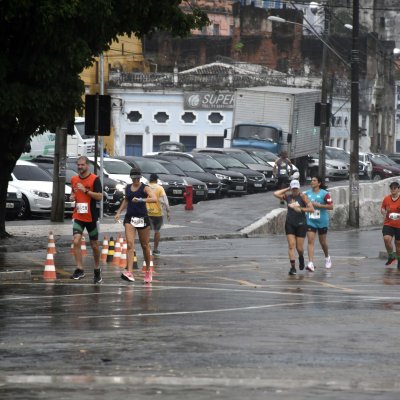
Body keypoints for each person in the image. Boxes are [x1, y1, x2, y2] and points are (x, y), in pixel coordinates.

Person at [114, 167, 157, 283]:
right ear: (131, 178)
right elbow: (126, 201)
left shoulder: (145, 187)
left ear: (140, 177)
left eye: (137, 178)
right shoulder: (128, 187)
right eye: (133, 178)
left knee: (145, 245)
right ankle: (129, 272)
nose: (135, 181)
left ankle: (148, 270)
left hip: (142, 219)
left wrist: (141, 200)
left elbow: (154, 198)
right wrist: (119, 212)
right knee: (129, 244)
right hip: (130, 219)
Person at [70, 156, 103, 283]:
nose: (80, 167)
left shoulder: (95, 179)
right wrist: (72, 197)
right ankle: (79, 269)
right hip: (78, 216)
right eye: (78, 165)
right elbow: (73, 194)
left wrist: (86, 191)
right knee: (76, 240)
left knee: (94, 245)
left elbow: (100, 197)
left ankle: (97, 269)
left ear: (87, 166)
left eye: (82, 165)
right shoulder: (74, 179)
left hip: (91, 217)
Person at [274, 179, 314, 276]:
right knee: (291, 245)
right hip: (290, 224)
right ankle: (292, 268)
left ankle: (301, 257)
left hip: (301, 224)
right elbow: (275, 194)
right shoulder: (288, 197)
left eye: (296, 188)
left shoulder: (303, 197)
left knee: (299, 248)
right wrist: (287, 188)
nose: (295, 190)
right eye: (293, 188)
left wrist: (300, 209)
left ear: (299, 188)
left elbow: (311, 209)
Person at [304, 176, 333, 272]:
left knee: (323, 242)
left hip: (322, 221)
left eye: (314, 180)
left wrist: (319, 205)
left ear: (319, 183)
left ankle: (327, 257)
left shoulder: (325, 194)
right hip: (310, 220)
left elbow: (331, 206)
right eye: (311, 180)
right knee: (310, 241)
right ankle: (310, 263)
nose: (312, 182)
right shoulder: (307, 194)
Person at [146, 173, 171, 255]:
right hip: (158, 213)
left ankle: (147, 248)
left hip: (147, 213)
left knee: (147, 231)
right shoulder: (160, 188)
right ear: (156, 180)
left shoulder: (146, 187)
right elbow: (165, 201)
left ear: (150, 179)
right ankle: (155, 249)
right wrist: (168, 212)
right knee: (157, 231)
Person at [381, 181, 400, 268]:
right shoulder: (386, 199)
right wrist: (385, 211)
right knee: (386, 239)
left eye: (395, 188)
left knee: (398, 244)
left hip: (399, 225)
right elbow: (382, 209)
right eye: (391, 188)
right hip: (388, 223)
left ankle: (399, 260)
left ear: (398, 189)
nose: (393, 190)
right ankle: (391, 256)